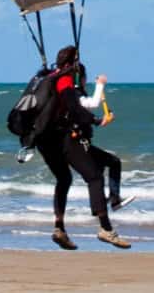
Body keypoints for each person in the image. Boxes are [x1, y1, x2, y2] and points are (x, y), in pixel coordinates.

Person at [35, 45, 129, 249]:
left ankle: (59, 228)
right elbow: (72, 106)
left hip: (44, 140)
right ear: (71, 64)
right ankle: (106, 229)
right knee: (94, 177)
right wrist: (95, 121)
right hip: (64, 139)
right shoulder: (64, 81)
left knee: (65, 178)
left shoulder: (49, 77)